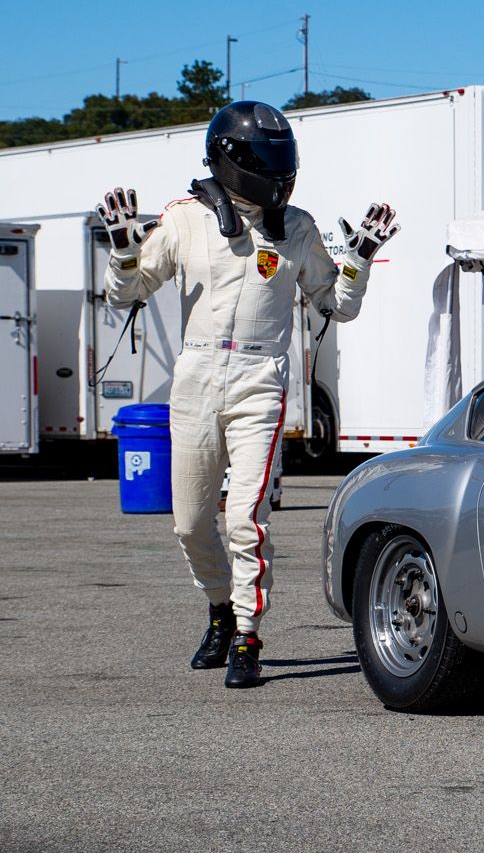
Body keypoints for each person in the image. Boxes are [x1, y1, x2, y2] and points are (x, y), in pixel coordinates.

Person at [97, 101, 399, 689]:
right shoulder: (185, 219)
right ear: (232, 160)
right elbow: (127, 292)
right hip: (196, 376)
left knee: (245, 517)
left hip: (260, 380)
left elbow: (334, 304)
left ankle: (246, 635)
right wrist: (124, 249)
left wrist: (358, 260)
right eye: (267, 160)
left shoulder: (298, 228)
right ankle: (218, 606)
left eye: (283, 159)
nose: (279, 172)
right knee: (187, 522)